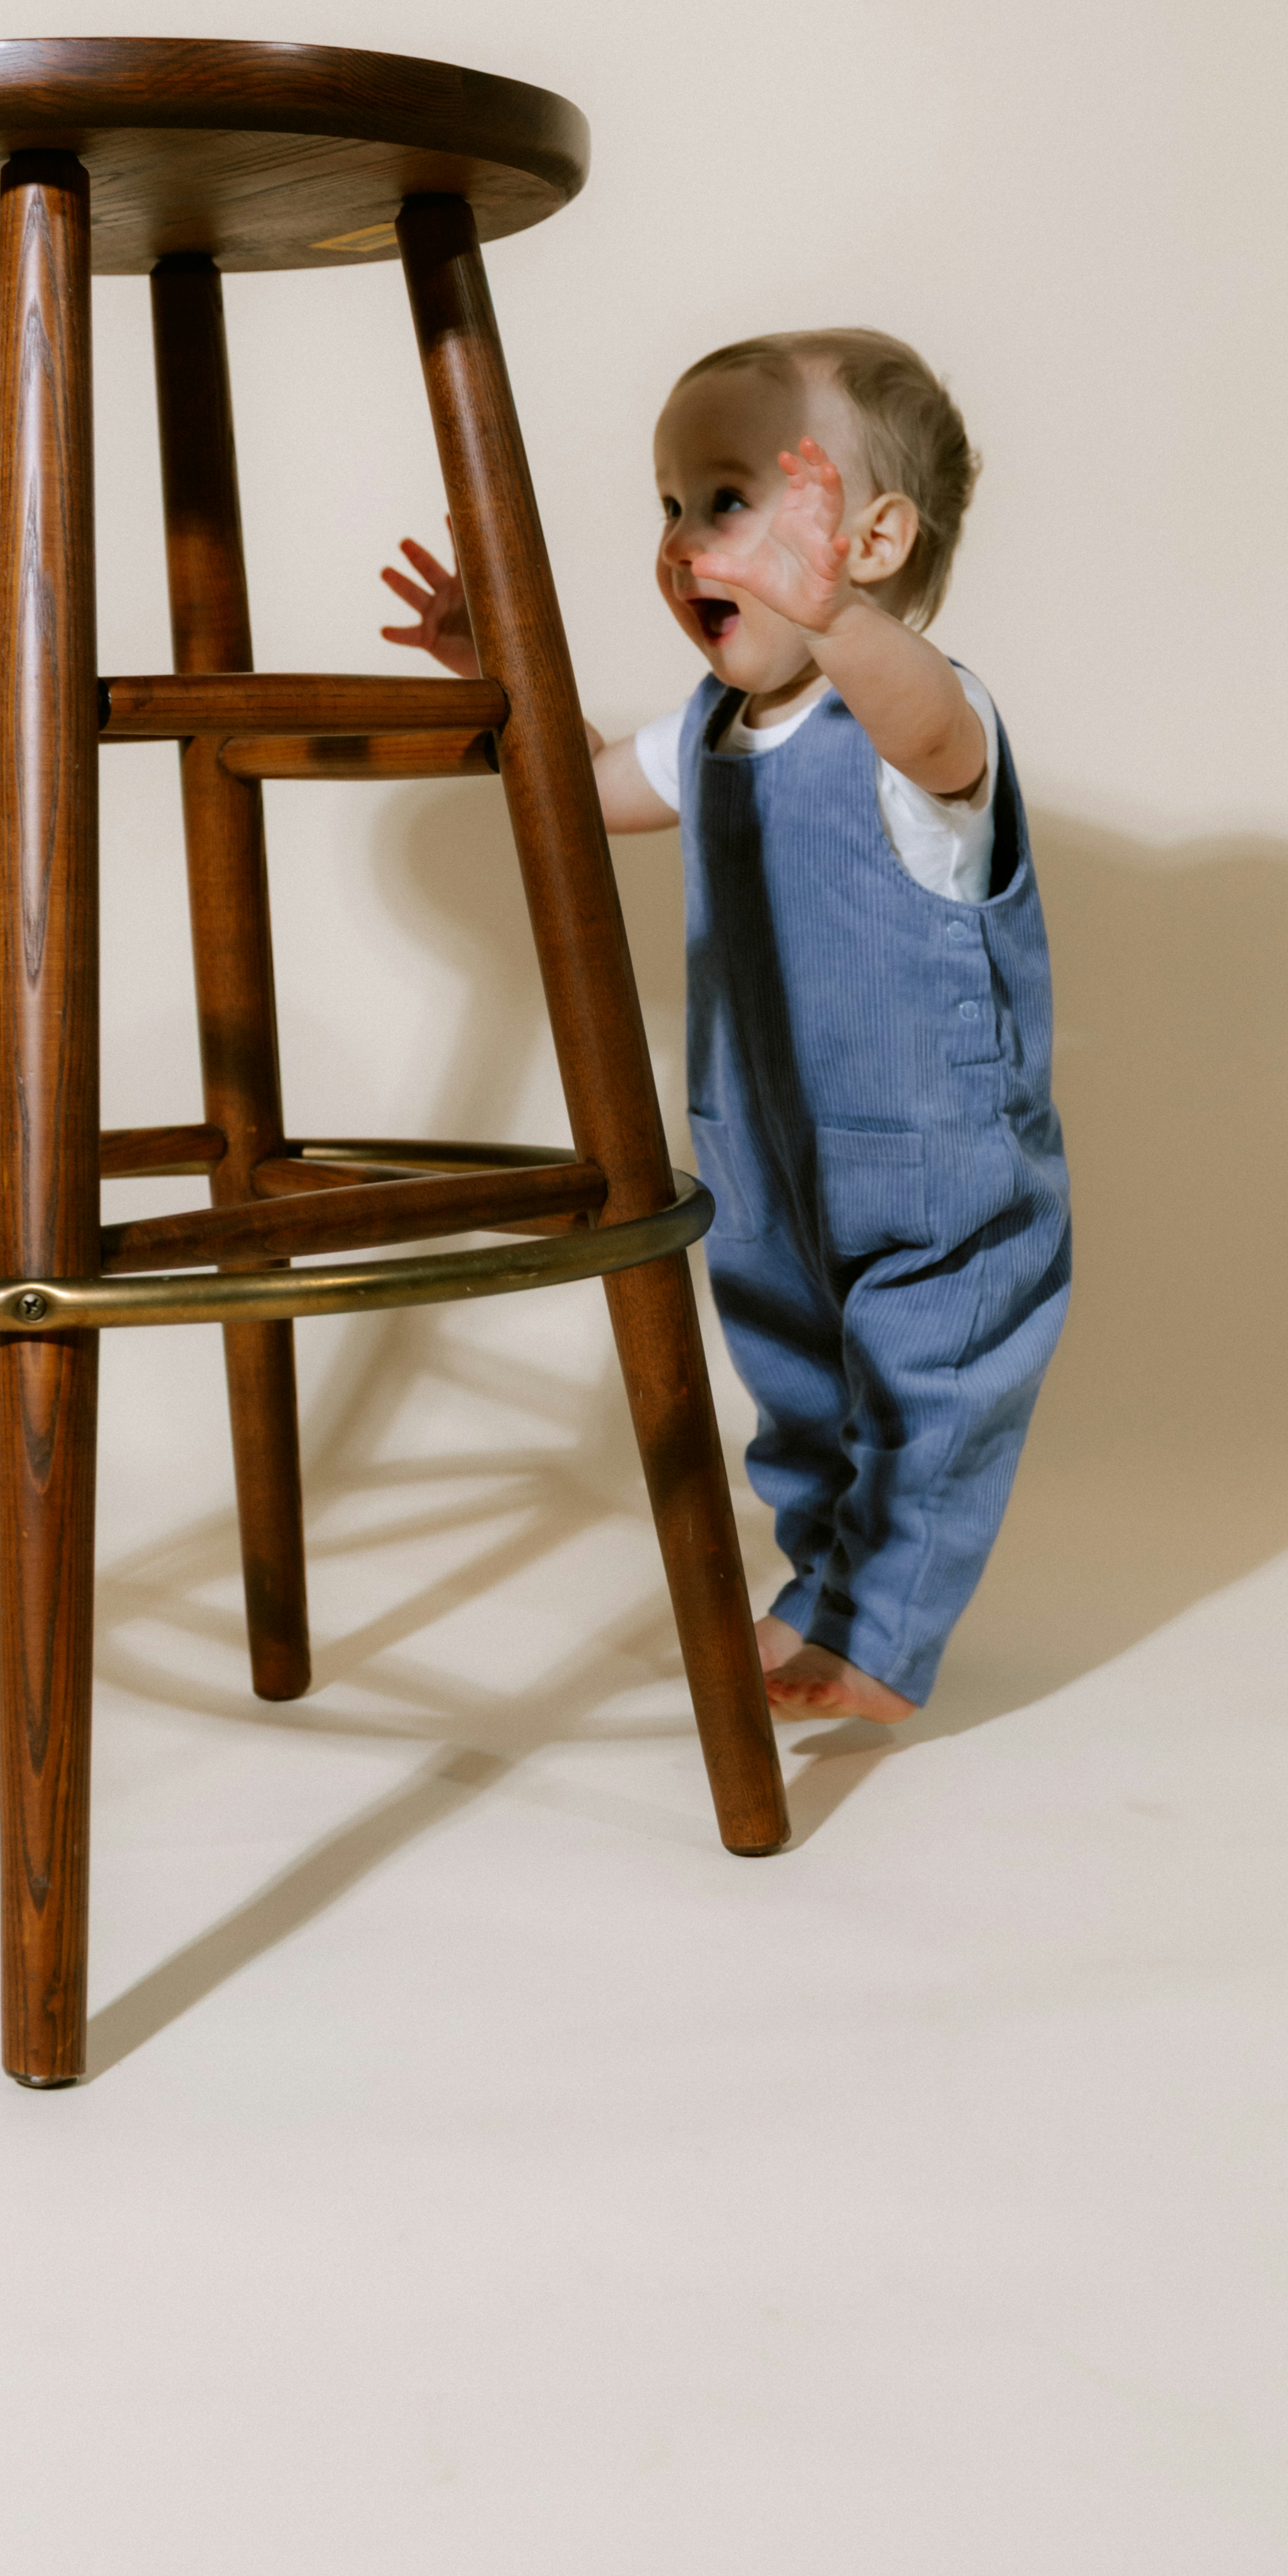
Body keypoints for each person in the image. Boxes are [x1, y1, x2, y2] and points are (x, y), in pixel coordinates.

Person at [381, 326, 1069, 1726]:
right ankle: (824, 1593)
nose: (687, 538)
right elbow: (579, 793)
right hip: (766, 1154)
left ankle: (879, 1638)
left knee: (928, 1397)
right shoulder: (708, 727)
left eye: (732, 501)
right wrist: (491, 668)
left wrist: (839, 627)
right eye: (673, 504)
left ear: (872, 540)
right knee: (802, 1399)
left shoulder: (922, 716)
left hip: (936, 1157)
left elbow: (926, 727)